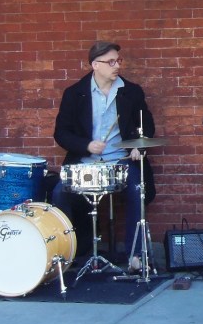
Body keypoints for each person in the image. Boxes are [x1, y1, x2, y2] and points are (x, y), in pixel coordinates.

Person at [53, 41, 156, 267]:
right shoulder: (74, 94)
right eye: (111, 62)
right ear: (95, 65)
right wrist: (87, 145)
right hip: (86, 162)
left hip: (120, 160)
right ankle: (65, 253)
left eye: (118, 60)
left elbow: (146, 125)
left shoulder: (131, 92)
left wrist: (140, 146)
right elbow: (61, 133)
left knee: (137, 190)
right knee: (59, 193)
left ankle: (136, 256)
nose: (117, 65)